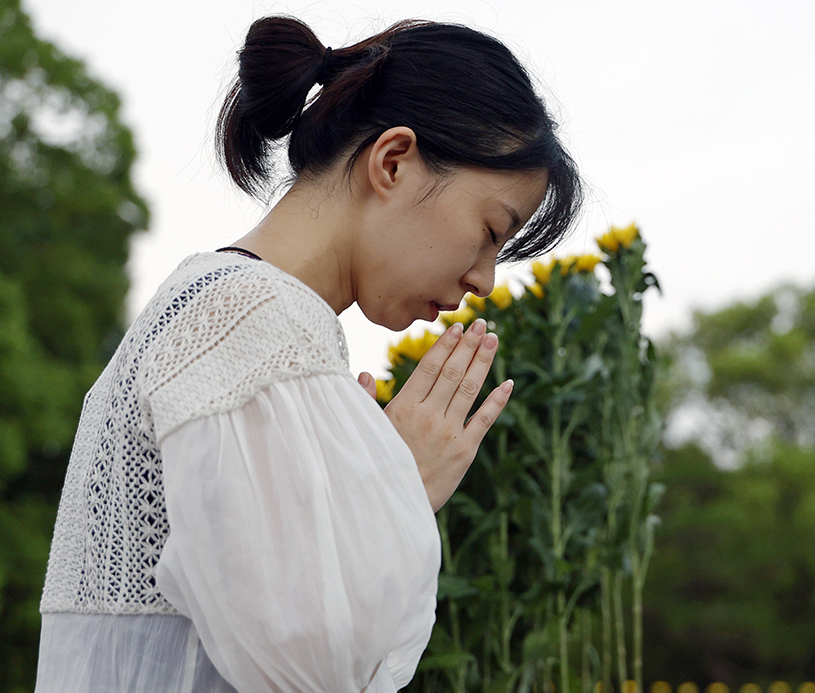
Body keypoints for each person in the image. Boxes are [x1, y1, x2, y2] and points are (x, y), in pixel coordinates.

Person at [34, 14, 580, 693]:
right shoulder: (253, 318)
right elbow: (314, 667)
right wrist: (396, 489)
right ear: (393, 161)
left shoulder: (222, 305)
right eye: (490, 230)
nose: (484, 280)